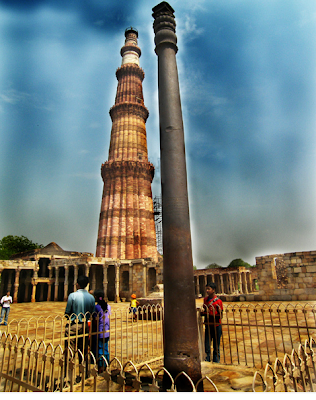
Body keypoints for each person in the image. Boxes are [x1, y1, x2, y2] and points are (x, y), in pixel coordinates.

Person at [64, 275, 95, 368]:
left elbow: (67, 312)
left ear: (77, 284)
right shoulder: (91, 298)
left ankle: (69, 375)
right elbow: (93, 314)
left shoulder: (72, 296)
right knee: (84, 350)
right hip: (85, 325)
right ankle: (84, 372)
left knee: (70, 350)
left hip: (74, 325)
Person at [201, 282, 223, 363]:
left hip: (216, 325)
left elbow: (220, 315)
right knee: (207, 344)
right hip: (208, 325)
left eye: (208, 289)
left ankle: (216, 361)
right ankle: (207, 359)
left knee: (216, 346)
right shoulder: (205, 300)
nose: (207, 290)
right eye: (206, 289)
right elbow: (204, 310)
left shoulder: (218, 301)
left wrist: (211, 314)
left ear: (213, 290)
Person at [92, 289, 111, 373]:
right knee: (105, 348)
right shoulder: (108, 306)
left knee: (100, 349)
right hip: (107, 331)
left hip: (99, 332)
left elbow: (95, 320)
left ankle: (100, 366)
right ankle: (106, 364)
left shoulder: (96, 307)